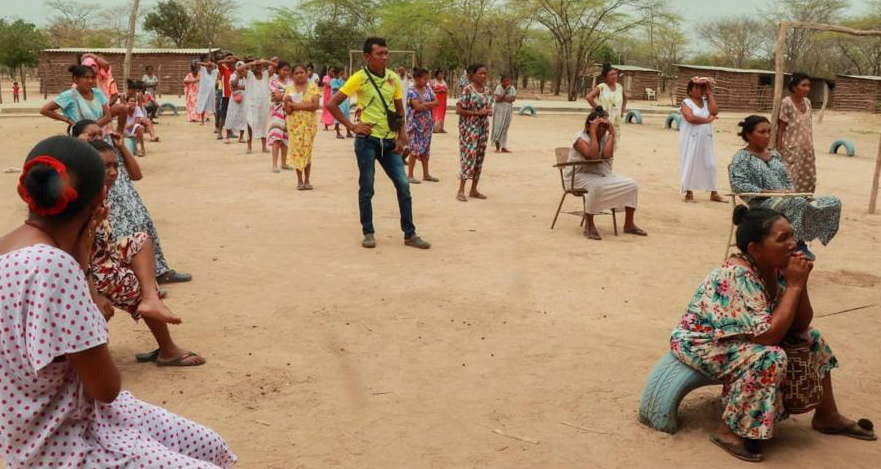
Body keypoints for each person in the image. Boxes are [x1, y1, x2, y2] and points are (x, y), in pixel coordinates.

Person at [0, 136, 235, 467]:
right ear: (101, 200)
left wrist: (82, 262)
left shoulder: (16, 251)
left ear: (27, 191)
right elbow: (106, 387)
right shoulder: (54, 266)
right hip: (64, 443)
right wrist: (80, 268)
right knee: (209, 459)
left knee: (208, 444)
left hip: (39, 430)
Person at [670, 205, 875, 463]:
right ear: (755, 249)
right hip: (704, 342)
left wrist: (799, 284)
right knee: (769, 356)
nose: (793, 244)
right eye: (782, 239)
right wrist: (794, 285)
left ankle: (827, 415)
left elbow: (800, 324)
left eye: (792, 235)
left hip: (746, 337)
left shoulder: (777, 268)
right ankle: (729, 431)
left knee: (813, 339)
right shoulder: (735, 274)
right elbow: (767, 337)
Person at [86, 138, 206, 367]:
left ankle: (151, 297)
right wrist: (95, 295)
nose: (112, 173)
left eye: (115, 166)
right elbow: (77, 253)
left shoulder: (98, 195)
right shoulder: (83, 203)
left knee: (141, 240)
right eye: (106, 167)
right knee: (133, 282)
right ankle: (168, 349)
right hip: (88, 268)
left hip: (101, 258)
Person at [326, 36, 431, 250]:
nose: (384, 57)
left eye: (386, 53)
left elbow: (400, 110)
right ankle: (368, 232)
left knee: (403, 185)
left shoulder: (393, 78)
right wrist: (353, 127)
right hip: (367, 142)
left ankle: (410, 234)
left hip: (389, 141)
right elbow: (332, 104)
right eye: (379, 54)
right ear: (367, 56)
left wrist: (402, 136)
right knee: (367, 187)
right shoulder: (358, 78)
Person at [71, 120, 192, 284]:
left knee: (147, 238)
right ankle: (139, 284)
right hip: (113, 214)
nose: (98, 138)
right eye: (92, 135)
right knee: (121, 248)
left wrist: (120, 146)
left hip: (133, 206)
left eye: (100, 133)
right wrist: (80, 147)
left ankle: (160, 272)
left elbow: (136, 175)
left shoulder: (111, 152)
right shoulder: (81, 161)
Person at [729, 115, 841, 261]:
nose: (767, 136)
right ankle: (797, 244)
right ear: (748, 135)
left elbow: (787, 179)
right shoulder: (741, 158)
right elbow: (740, 185)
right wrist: (773, 193)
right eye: (762, 132)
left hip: (789, 200)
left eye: (769, 131)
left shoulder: (774, 154)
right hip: (763, 204)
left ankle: (800, 238)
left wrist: (792, 193)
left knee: (832, 202)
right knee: (797, 204)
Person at [564, 106, 646, 240]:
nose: (601, 129)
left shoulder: (606, 136)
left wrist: (612, 133)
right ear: (588, 125)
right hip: (578, 176)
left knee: (632, 184)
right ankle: (589, 225)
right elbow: (593, 156)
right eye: (599, 126)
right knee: (596, 187)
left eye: (604, 126)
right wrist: (592, 132)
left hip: (601, 175)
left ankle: (629, 224)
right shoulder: (579, 137)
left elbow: (607, 155)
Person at [679, 77, 725, 203]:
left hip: (706, 139)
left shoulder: (706, 102)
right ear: (690, 90)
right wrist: (707, 120)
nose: (699, 90)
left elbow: (714, 111)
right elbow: (691, 118)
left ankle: (713, 192)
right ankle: (689, 192)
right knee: (690, 163)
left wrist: (710, 94)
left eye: (702, 88)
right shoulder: (686, 103)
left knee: (710, 164)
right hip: (691, 139)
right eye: (696, 87)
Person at [456, 63, 493, 202]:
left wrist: (488, 111)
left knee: (479, 157)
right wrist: (477, 113)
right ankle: (461, 190)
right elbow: (459, 110)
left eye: (485, 73)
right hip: (470, 129)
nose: (483, 76)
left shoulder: (488, 91)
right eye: (480, 73)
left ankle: (473, 189)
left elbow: (488, 106)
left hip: (483, 128)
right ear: (473, 74)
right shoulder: (467, 90)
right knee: (468, 157)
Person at [777, 72, 817, 193]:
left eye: (808, 85)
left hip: (807, 150)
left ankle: (804, 204)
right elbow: (781, 128)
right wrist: (779, 148)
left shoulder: (808, 102)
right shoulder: (786, 103)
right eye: (803, 85)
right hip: (791, 149)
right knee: (791, 179)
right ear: (794, 87)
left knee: (808, 178)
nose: (807, 88)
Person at [284, 64, 322, 190]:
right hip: (294, 126)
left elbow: (315, 105)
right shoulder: (289, 89)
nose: (299, 75)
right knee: (297, 152)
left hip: (309, 125)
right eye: (296, 73)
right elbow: (288, 111)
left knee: (307, 151)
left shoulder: (313, 87)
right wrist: (286, 102)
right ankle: (300, 180)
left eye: (302, 72)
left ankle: (307, 180)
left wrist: (296, 105)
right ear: (292, 76)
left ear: (307, 74)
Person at [40, 65, 112, 129]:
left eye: (92, 78)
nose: (90, 81)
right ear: (75, 79)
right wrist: (68, 120)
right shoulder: (69, 95)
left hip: (99, 134)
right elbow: (45, 110)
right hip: (80, 137)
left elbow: (107, 117)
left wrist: (90, 128)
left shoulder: (97, 93)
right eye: (86, 77)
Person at [406, 67, 438, 183]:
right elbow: (417, 107)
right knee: (414, 149)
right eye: (425, 79)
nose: (427, 81)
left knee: (425, 149)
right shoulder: (411, 91)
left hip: (427, 124)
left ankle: (426, 174)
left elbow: (436, 102)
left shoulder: (428, 88)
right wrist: (428, 105)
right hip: (415, 125)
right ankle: (410, 175)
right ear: (417, 79)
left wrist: (424, 104)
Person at [586, 63, 625, 144]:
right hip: (603, 122)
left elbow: (625, 99)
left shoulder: (619, 87)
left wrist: (622, 111)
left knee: (613, 143)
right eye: (611, 75)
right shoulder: (601, 87)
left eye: (615, 74)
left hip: (616, 122)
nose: (614, 76)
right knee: (602, 142)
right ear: (605, 77)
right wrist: (597, 108)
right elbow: (589, 97)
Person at [239, 59, 271, 154]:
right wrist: (251, 63)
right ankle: (249, 146)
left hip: (263, 104)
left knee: (263, 124)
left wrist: (265, 61)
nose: (258, 67)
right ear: (254, 66)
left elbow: (276, 65)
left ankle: (264, 147)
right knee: (250, 123)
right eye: (256, 66)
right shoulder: (249, 75)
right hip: (251, 104)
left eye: (260, 65)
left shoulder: (266, 74)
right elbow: (238, 69)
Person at [268, 61, 294, 172]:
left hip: (288, 112)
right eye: (284, 70)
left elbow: (283, 96)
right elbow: (277, 97)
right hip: (277, 113)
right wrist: (287, 95)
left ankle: (283, 163)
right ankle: (274, 164)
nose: (286, 72)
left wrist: (283, 95)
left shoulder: (291, 82)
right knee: (277, 138)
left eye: (288, 70)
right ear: (278, 70)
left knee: (286, 138)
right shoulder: (273, 82)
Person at [215, 54, 240, 140]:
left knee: (233, 115)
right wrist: (228, 60)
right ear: (228, 64)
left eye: (233, 63)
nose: (232, 64)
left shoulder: (237, 71)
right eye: (231, 63)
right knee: (223, 115)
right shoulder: (224, 70)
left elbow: (242, 61)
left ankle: (230, 132)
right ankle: (219, 132)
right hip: (226, 96)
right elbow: (218, 62)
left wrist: (233, 57)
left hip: (235, 96)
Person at [223, 61, 248, 145]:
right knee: (231, 116)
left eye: (243, 67)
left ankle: (241, 137)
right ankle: (227, 137)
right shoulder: (233, 75)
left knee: (242, 117)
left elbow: (247, 87)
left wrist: (238, 87)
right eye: (240, 67)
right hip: (234, 100)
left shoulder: (246, 77)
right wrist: (237, 76)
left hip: (244, 100)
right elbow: (233, 86)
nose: (242, 69)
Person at [491, 74, 517, 153]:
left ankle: (503, 147)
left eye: (508, 80)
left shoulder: (512, 88)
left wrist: (503, 98)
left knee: (505, 128)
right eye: (505, 81)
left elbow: (513, 99)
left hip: (508, 110)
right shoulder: (499, 88)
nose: (507, 82)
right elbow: (497, 99)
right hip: (499, 110)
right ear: (501, 81)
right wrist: (505, 92)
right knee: (498, 127)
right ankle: (497, 147)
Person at [331, 68, 353, 139]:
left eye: (343, 74)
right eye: (341, 74)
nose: (342, 75)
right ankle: (338, 133)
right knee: (338, 116)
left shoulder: (343, 81)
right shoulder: (333, 80)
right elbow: (335, 89)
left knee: (347, 116)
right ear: (336, 74)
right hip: (338, 101)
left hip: (345, 101)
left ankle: (348, 132)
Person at [196, 60, 219, 125]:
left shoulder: (214, 72)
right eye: (208, 67)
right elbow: (197, 63)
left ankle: (217, 121)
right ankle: (202, 121)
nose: (209, 68)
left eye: (210, 67)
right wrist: (206, 64)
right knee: (203, 105)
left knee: (213, 107)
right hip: (203, 93)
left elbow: (215, 65)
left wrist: (210, 64)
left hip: (211, 93)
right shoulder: (203, 71)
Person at [430, 69, 448, 133]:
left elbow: (447, 90)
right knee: (435, 113)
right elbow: (430, 91)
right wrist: (439, 91)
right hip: (436, 100)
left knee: (442, 114)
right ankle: (434, 128)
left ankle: (441, 128)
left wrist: (445, 92)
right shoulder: (433, 82)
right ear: (436, 75)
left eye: (442, 74)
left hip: (443, 100)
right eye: (440, 74)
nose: (441, 76)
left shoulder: (444, 82)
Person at [320, 66, 336, 131]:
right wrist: (334, 83)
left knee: (334, 111)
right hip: (327, 98)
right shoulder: (326, 77)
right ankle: (326, 126)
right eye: (331, 71)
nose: (332, 72)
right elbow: (328, 84)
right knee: (326, 111)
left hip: (333, 98)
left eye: (333, 71)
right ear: (328, 71)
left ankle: (336, 126)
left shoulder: (334, 79)